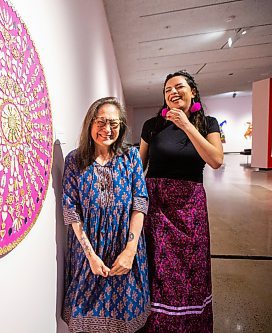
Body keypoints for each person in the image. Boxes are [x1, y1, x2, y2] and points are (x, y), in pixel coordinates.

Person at [139, 71, 224, 333]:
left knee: (191, 267)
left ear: (193, 92)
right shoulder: (152, 126)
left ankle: (190, 324)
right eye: (167, 90)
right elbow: (138, 169)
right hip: (157, 208)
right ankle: (157, 325)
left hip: (190, 208)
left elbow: (216, 160)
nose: (173, 92)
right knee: (159, 267)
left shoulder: (208, 124)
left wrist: (187, 125)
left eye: (179, 87)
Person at [62, 97, 150, 332]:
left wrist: (130, 252)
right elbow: (71, 211)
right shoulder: (74, 160)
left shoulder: (131, 157)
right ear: (90, 123)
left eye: (114, 123)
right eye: (101, 122)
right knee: (85, 317)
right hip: (87, 251)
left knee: (124, 314)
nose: (107, 130)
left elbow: (140, 203)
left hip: (124, 247)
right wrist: (90, 256)